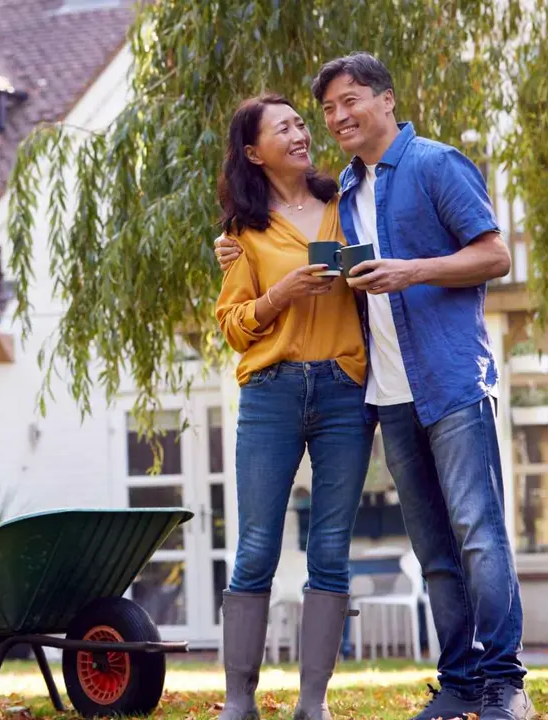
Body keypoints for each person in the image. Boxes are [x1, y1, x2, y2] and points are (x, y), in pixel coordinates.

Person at [213, 54, 533, 720]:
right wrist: (261, 276)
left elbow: (494, 256)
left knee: (472, 531)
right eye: (320, 111)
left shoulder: (406, 177)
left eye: (342, 104)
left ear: (387, 100)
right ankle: (458, 682)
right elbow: (241, 313)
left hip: (416, 384)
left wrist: (411, 272)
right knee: (430, 549)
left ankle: (501, 682)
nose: (328, 122)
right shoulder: (323, 202)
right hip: (368, 393)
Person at [213, 93, 375, 720]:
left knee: (331, 546)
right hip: (271, 391)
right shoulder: (243, 234)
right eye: (284, 127)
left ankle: (314, 702)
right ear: (254, 152)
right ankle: (238, 700)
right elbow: (233, 325)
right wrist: (281, 293)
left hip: (342, 388)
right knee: (256, 545)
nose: (301, 132)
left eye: (301, 123)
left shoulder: (347, 205)